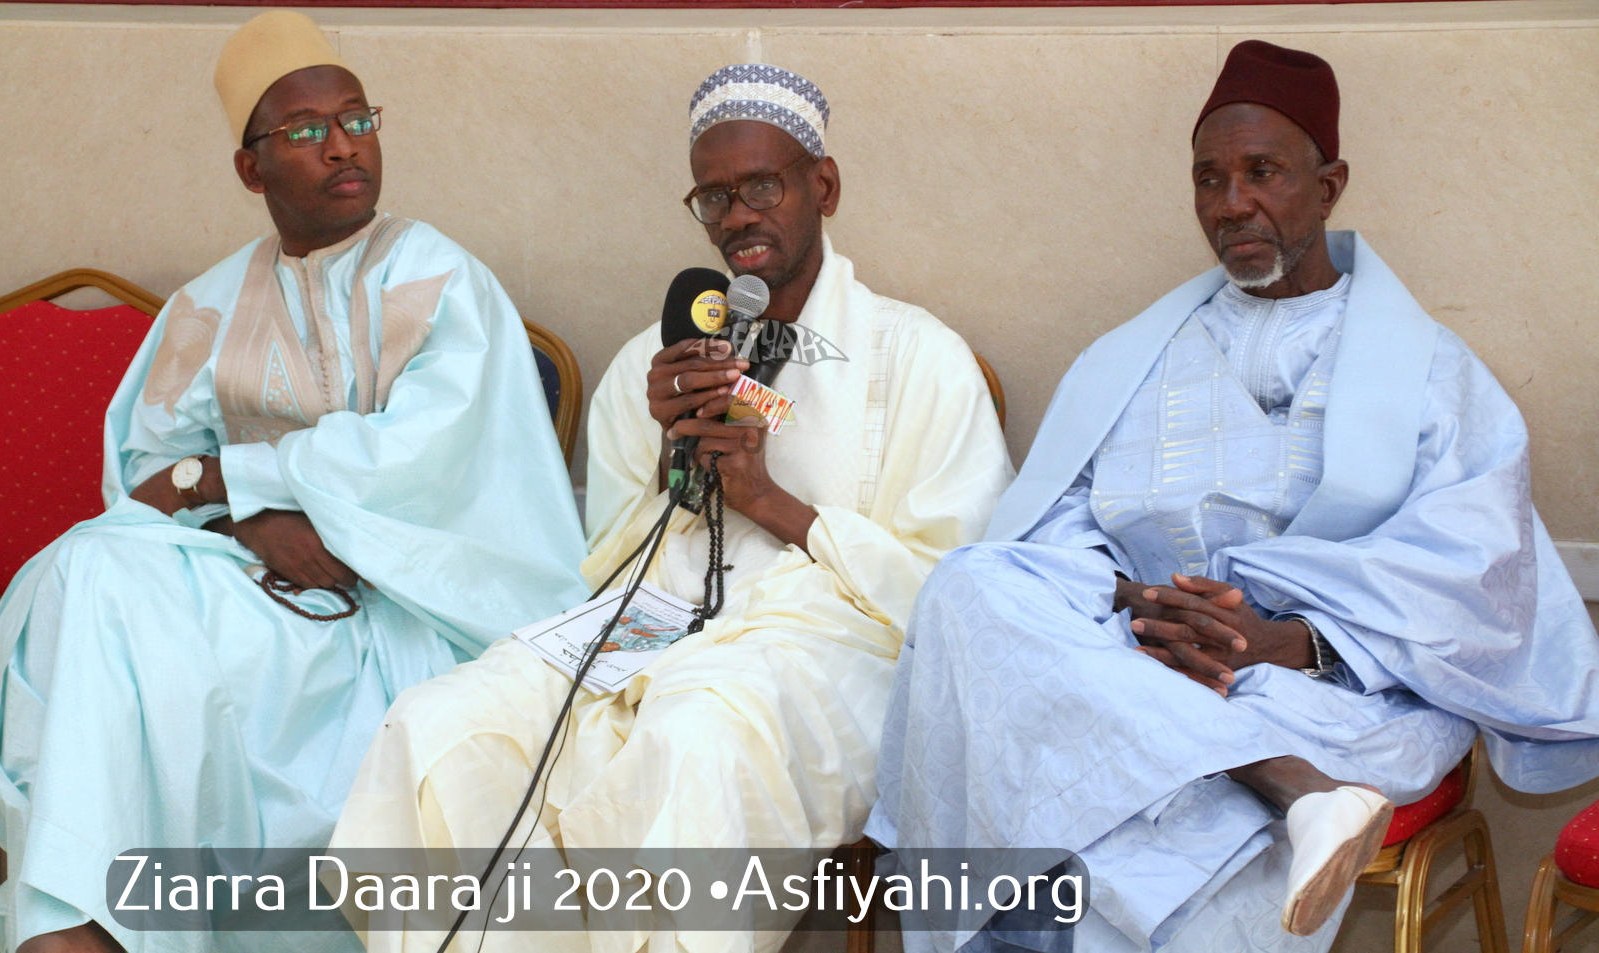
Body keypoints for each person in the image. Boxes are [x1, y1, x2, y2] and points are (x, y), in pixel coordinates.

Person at [866, 40, 1599, 953]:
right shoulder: (1133, 358)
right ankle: (1296, 791)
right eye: (1209, 178)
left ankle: (1287, 782)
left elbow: (1477, 577)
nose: (1231, 203)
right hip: (1131, 664)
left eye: (1263, 173)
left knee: (1159, 833)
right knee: (970, 584)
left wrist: (1291, 641)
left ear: (1328, 186)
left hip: (1334, 695)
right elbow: (1054, 535)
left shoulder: (1430, 372)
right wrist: (1147, 610)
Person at [329, 63, 1012, 952]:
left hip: (825, 643)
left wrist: (771, 502)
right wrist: (669, 456)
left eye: (761, 186)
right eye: (713, 197)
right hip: (644, 627)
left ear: (824, 185)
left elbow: (956, 593)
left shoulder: (918, 357)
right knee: (438, 724)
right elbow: (603, 558)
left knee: (690, 737)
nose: (736, 217)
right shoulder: (653, 365)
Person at [0, 12, 588, 953]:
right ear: (251, 167)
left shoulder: (440, 280)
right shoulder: (209, 303)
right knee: (86, 571)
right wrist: (247, 523)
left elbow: (424, 464)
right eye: (306, 131)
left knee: (103, 598)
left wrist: (229, 477)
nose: (345, 145)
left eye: (358, 118)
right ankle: (80, 921)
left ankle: (75, 925)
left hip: (401, 608)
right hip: (245, 586)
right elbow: (146, 480)